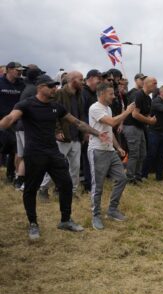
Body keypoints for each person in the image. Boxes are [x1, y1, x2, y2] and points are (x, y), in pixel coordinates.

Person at [0, 75, 108, 239]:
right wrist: (3, 124)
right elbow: (10, 118)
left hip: (53, 152)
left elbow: (77, 123)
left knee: (66, 184)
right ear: (40, 87)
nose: (54, 89)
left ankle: (65, 220)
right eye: (50, 86)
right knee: (30, 189)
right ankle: (33, 224)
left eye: (55, 86)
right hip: (34, 154)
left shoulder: (56, 107)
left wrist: (97, 133)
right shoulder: (27, 105)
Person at [88, 83, 136, 230]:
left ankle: (112, 210)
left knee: (122, 179)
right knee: (99, 185)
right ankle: (96, 215)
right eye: (111, 94)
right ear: (102, 94)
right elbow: (113, 122)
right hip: (98, 151)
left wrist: (118, 147)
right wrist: (127, 111)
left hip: (110, 150)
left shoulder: (108, 108)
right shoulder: (95, 108)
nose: (114, 96)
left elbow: (109, 130)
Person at [39, 71, 85, 200]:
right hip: (63, 136)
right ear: (72, 80)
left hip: (76, 136)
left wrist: (84, 133)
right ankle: (43, 189)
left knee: (75, 167)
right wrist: (57, 131)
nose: (83, 82)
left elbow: (81, 116)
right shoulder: (59, 93)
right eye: (80, 79)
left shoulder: (79, 95)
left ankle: (72, 192)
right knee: (55, 165)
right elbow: (52, 113)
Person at [123, 76, 157, 184]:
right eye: (154, 83)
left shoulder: (148, 98)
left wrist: (150, 118)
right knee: (134, 153)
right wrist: (149, 121)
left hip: (140, 127)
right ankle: (129, 178)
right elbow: (135, 114)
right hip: (131, 126)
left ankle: (137, 176)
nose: (156, 85)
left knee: (142, 153)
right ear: (146, 84)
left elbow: (144, 113)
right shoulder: (138, 94)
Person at [0, 61, 26, 183]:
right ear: (9, 70)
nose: (20, 72)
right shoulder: (0, 82)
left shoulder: (22, 84)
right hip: (2, 120)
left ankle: (11, 175)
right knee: (6, 147)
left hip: (16, 120)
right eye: (17, 70)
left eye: (21, 70)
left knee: (15, 147)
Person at [80, 69, 102, 193]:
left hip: (95, 131)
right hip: (87, 131)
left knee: (93, 158)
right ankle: (88, 185)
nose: (99, 84)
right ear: (90, 78)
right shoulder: (83, 92)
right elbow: (82, 112)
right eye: (98, 80)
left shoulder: (94, 94)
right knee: (88, 159)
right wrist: (86, 131)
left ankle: (92, 183)